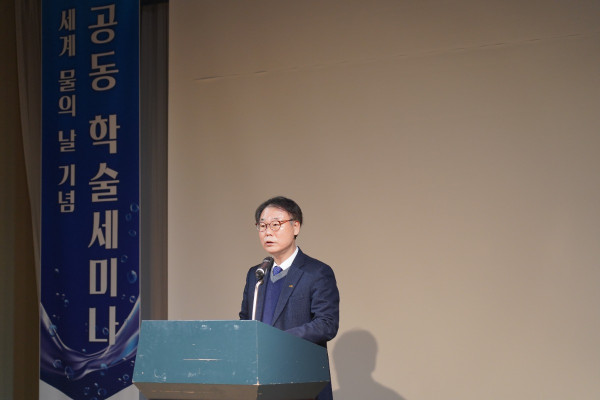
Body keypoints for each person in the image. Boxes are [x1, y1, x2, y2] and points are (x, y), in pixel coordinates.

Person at [240, 196, 340, 400]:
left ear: (296, 227)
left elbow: (326, 324)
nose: (268, 232)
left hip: (300, 379)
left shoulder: (316, 272)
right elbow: (245, 321)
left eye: (275, 224)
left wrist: (279, 340)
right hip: (260, 378)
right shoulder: (256, 274)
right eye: (262, 226)